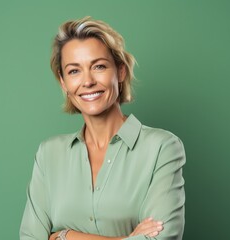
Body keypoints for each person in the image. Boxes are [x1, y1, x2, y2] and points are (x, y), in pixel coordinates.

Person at [20, 16, 185, 240]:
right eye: (74, 71)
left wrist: (64, 236)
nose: (87, 81)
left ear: (120, 71)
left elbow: (160, 238)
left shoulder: (162, 148)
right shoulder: (49, 154)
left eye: (98, 66)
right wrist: (126, 239)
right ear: (63, 82)